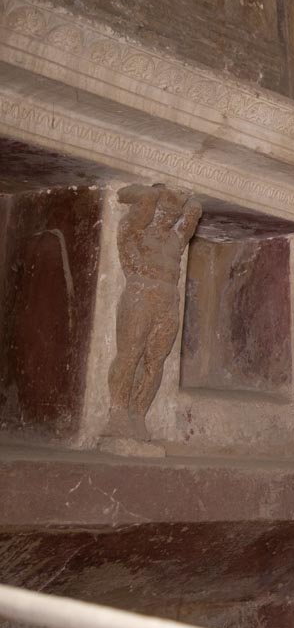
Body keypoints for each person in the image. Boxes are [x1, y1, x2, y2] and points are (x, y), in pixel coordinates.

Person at [106, 184, 201, 440]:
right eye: (163, 212)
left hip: (168, 301)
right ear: (150, 211)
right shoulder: (135, 232)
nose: (168, 218)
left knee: (155, 360)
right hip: (140, 294)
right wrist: (151, 195)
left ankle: (138, 415)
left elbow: (193, 214)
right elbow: (141, 199)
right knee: (129, 354)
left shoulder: (175, 240)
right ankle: (117, 413)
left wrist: (187, 196)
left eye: (172, 215)